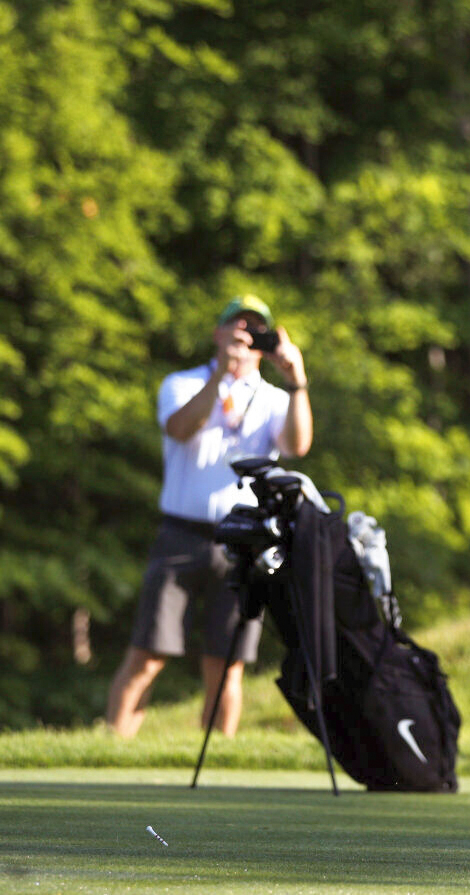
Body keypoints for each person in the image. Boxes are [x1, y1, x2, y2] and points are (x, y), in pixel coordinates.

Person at [105, 295, 313, 738]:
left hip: (244, 541)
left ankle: (217, 763)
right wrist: (221, 375)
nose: (243, 336)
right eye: (235, 327)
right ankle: (111, 751)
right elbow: (181, 428)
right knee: (148, 654)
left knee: (227, 664)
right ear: (217, 334)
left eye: (254, 330)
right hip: (182, 535)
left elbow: (297, 446)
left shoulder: (275, 398)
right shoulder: (182, 383)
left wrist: (297, 382)